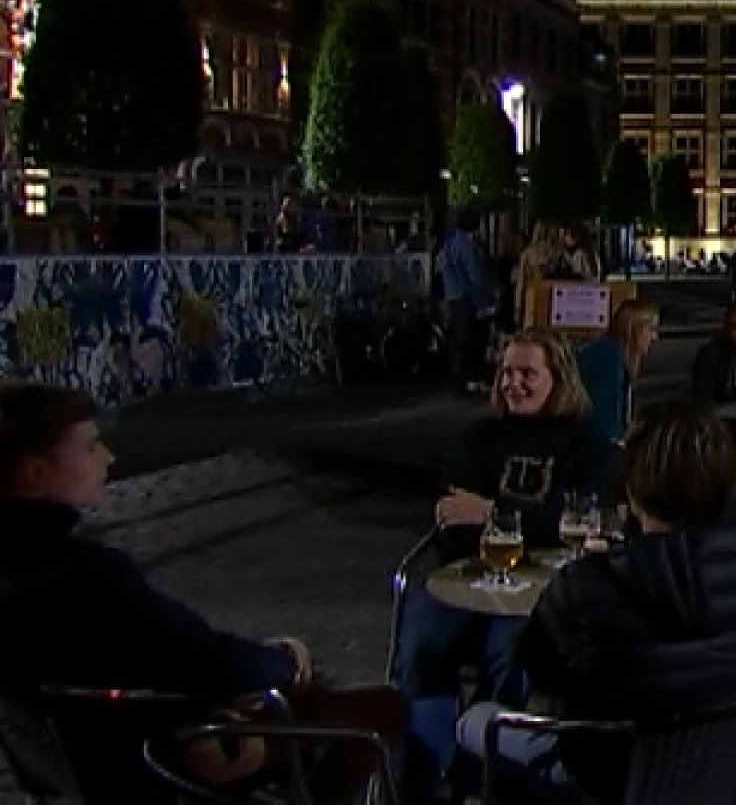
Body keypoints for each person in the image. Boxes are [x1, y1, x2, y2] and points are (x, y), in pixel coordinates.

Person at [0, 382, 399, 802]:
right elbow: (200, 657)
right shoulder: (86, 576)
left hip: (73, 766)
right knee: (379, 711)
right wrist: (283, 658)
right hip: (155, 758)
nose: (108, 457)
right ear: (34, 473)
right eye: (90, 447)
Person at [456, 403, 736, 801]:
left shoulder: (590, 585)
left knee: (474, 723)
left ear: (633, 488)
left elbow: (536, 666)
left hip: (604, 776)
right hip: (720, 776)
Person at [395, 329, 623, 795]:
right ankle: (429, 774)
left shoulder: (589, 446)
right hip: (469, 576)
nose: (513, 384)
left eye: (527, 373)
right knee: (420, 640)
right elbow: (456, 522)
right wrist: (532, 519)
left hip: (543, 587)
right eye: (505, 373)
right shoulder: (476, 440)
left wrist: (492, 512)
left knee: (513, 650)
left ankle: (493, 767)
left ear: (557, 379)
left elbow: (582, 521)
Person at [575, 298, 661, 447]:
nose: (654, 338)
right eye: (650, 329)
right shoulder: (607, 360)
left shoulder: (616, 357)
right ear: (633, 329)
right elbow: (603, 421)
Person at [436, 208, 493, 397]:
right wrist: (487, 296)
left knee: (458, 342)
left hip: (452, 297)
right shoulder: (468, 246)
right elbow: (476, 276)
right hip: (467, 299)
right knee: (470, 342)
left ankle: (458, 381)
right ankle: (469, 381)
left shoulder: (449, 244)